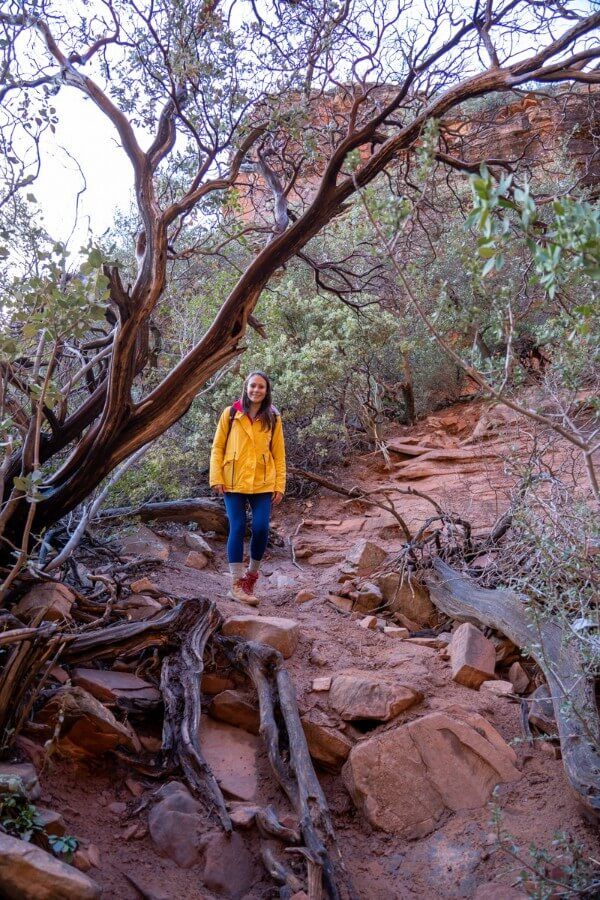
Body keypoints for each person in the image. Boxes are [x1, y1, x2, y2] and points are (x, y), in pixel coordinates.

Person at [210, 371, 286, 605]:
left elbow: (279, 454)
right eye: (252, 386)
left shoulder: (273, 417)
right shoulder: (231, 413)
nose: (256, 390)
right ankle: (235, 583)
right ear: (246, 387)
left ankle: (250, 578)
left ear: (266, 390)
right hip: (233, 480)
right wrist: (216, 477)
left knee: (262, 528)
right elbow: (217, 447)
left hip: (263, 482)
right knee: (238, 526)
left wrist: (280, 484)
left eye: (261, 387)